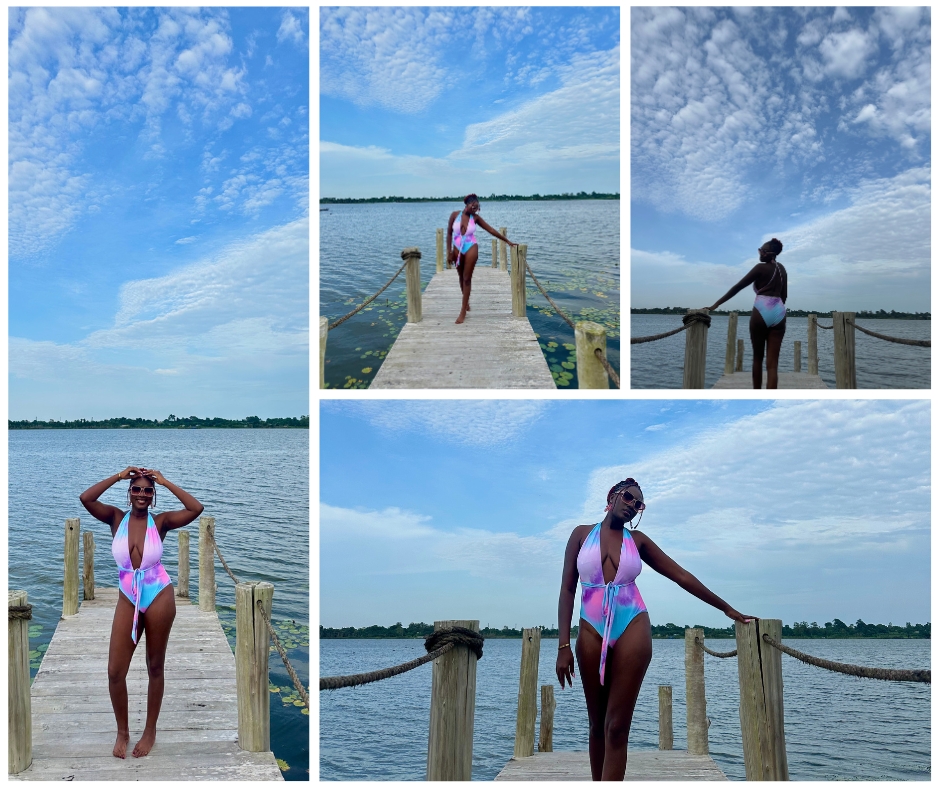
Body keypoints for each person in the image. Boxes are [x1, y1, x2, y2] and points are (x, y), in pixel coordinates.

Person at [555, 478, 754, 781]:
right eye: (628, 498)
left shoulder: (638, 541)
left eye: (639, 505)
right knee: (596, 726)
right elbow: (568, 589)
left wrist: (726, 608)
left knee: (616, 727)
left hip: (632, 623)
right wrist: (563, 646)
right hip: (590, 628)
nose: (633, 506)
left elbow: (681, 575)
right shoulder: (581, 534)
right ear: (612, 496)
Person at [80, 467, 204, 759]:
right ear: (129, 492)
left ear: (153, 496)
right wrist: (118, 476)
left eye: (148, 490)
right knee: (115, 671)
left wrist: (165, 481)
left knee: (155, 667)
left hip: (158, 593)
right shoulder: (115, 518)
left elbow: (195, 508)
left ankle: (150, 730)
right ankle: (122, 731)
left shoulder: (160, 522)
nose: (142, 494)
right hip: (128, 596)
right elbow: (86, 498)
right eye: (136, 489)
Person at [703, 238, 788, 389]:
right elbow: (784, 295)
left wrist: (716, 304)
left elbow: (738, 286)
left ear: (768, 253)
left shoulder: (760, 268)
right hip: (779, 310)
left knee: (757, 358)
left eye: (762, 250)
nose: (759, 253)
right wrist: (776, 309)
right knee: (773, 365)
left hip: (762, 308)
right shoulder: (782, 269)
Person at [446, 194, 516, 324]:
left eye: (477, 208)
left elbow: (491, 230)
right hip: (457, 248)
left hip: (471, 246)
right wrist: (449, 252)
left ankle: (463, 311)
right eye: (473, 206)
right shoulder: (455, 215)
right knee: (461, 277)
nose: (475, 209)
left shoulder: (476, 218)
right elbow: (449, 233)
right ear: (467, 205)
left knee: (467, 278)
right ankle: (466, 301)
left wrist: (507, 241)